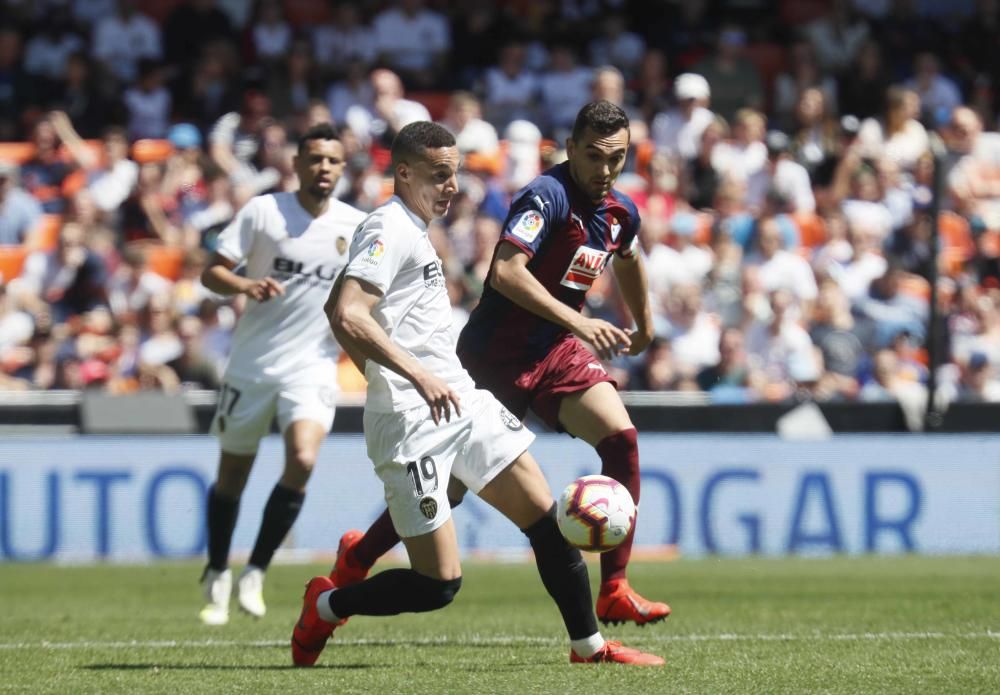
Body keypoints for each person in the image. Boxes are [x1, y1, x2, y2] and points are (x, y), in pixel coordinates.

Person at [291, 120, 663, 667]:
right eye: (439, 176)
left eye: (455, 175)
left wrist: (400, 371)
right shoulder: (387, 228)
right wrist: (409, 377)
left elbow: (335, 311)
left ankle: (590, 648)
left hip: (463, 401)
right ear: (403, 172)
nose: (451, 187)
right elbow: (347, 311)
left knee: (548, 518)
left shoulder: (415, 230)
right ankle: (325, 605)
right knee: (438, 585)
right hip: (410, 422)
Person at [196, 123, 366, 626]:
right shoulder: (264, 211)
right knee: (233, 476)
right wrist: (246, 284)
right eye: (314, 158)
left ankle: (255, 571)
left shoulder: (356, 226)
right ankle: (216, 569)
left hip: (311, 365)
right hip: (251, 365)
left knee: (303, 457)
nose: (324, 168)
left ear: (343, 167)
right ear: (296, 164)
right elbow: (212, 271)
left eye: (333, 160)